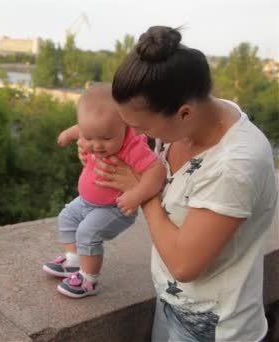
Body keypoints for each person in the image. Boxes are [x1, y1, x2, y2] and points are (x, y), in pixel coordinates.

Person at [92, 26, 278, 341]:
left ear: (184, 113)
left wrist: (143, 193)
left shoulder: (233, 165)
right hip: (173, 305)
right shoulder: (203, 113)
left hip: (213, 329)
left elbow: (183, 264)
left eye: (141, 127)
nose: (137, 136)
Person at [42, 84, 166, 298]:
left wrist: (136, 195)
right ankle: (73, 262)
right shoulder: (91, 131)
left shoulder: (132, 146)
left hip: (114, 207)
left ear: (125, 126)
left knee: (87, 233)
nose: (97, 145)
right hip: (86, 202)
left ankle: (89, 280)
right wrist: (67, 135)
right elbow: (79, 130)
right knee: (67, 218)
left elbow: (157, 171)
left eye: (106, 138)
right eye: (90, 138)